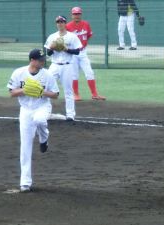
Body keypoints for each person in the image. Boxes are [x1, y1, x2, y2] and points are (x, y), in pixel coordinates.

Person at [7, 49, 59, 193]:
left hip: (42, 106)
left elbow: (55, 95)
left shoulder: (47, 75)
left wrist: (42, 92)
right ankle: (25, 182)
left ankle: (44, 138)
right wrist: (25, 90)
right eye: (40, 59)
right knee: (25, 145)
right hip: (25, 110)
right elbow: (11, 92)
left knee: (40, 120)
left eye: (43, 59)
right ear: (32, 60)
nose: (43, 61)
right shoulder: (19, 73)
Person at [44, 15, 82, 121]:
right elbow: (48, 53)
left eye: (62, 22)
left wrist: (66, 49)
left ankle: (70, 115)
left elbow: (77, 51)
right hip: (54, 65)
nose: (60, 24)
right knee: (46, 87)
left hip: (67, 66)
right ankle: (46, 112)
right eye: (58, 22)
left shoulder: (72, 36)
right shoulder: (52, 37)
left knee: (68, 91)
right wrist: (52, 48)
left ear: (65, 23)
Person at [66, 7, 106, 101]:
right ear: (72, 15)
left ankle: (94, 94)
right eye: (75, 14)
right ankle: (76, 94)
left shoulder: (86, 24)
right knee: (74, 74)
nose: (77, 16)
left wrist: (83, 44)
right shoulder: (68, 26)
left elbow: (88, 36)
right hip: (73, 53)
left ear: (81, 14)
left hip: (83, 53)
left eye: (78, 14)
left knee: (89, 73)